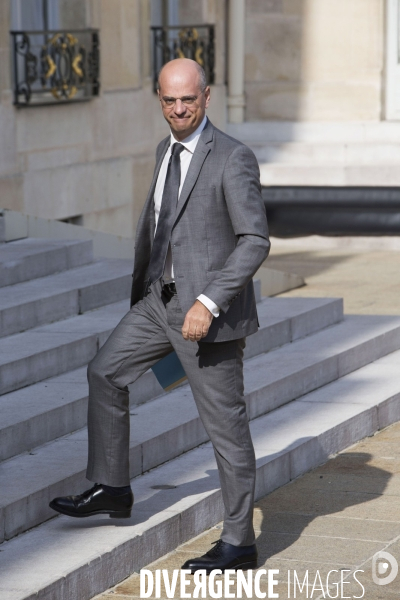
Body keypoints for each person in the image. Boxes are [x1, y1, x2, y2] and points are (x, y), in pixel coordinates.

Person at [50, 58, 270, 574]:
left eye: (188, 100)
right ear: (159, 98)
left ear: (207, 97)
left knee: (226, 432)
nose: (178, 110)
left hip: (206, 317)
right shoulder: (163, 149)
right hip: (158, 302)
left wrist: (208, 301)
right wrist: (153, 288)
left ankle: (240, 543)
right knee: (105, 372)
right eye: (169, 101)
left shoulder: (232, 158)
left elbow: (254, 240)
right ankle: (112, 487)